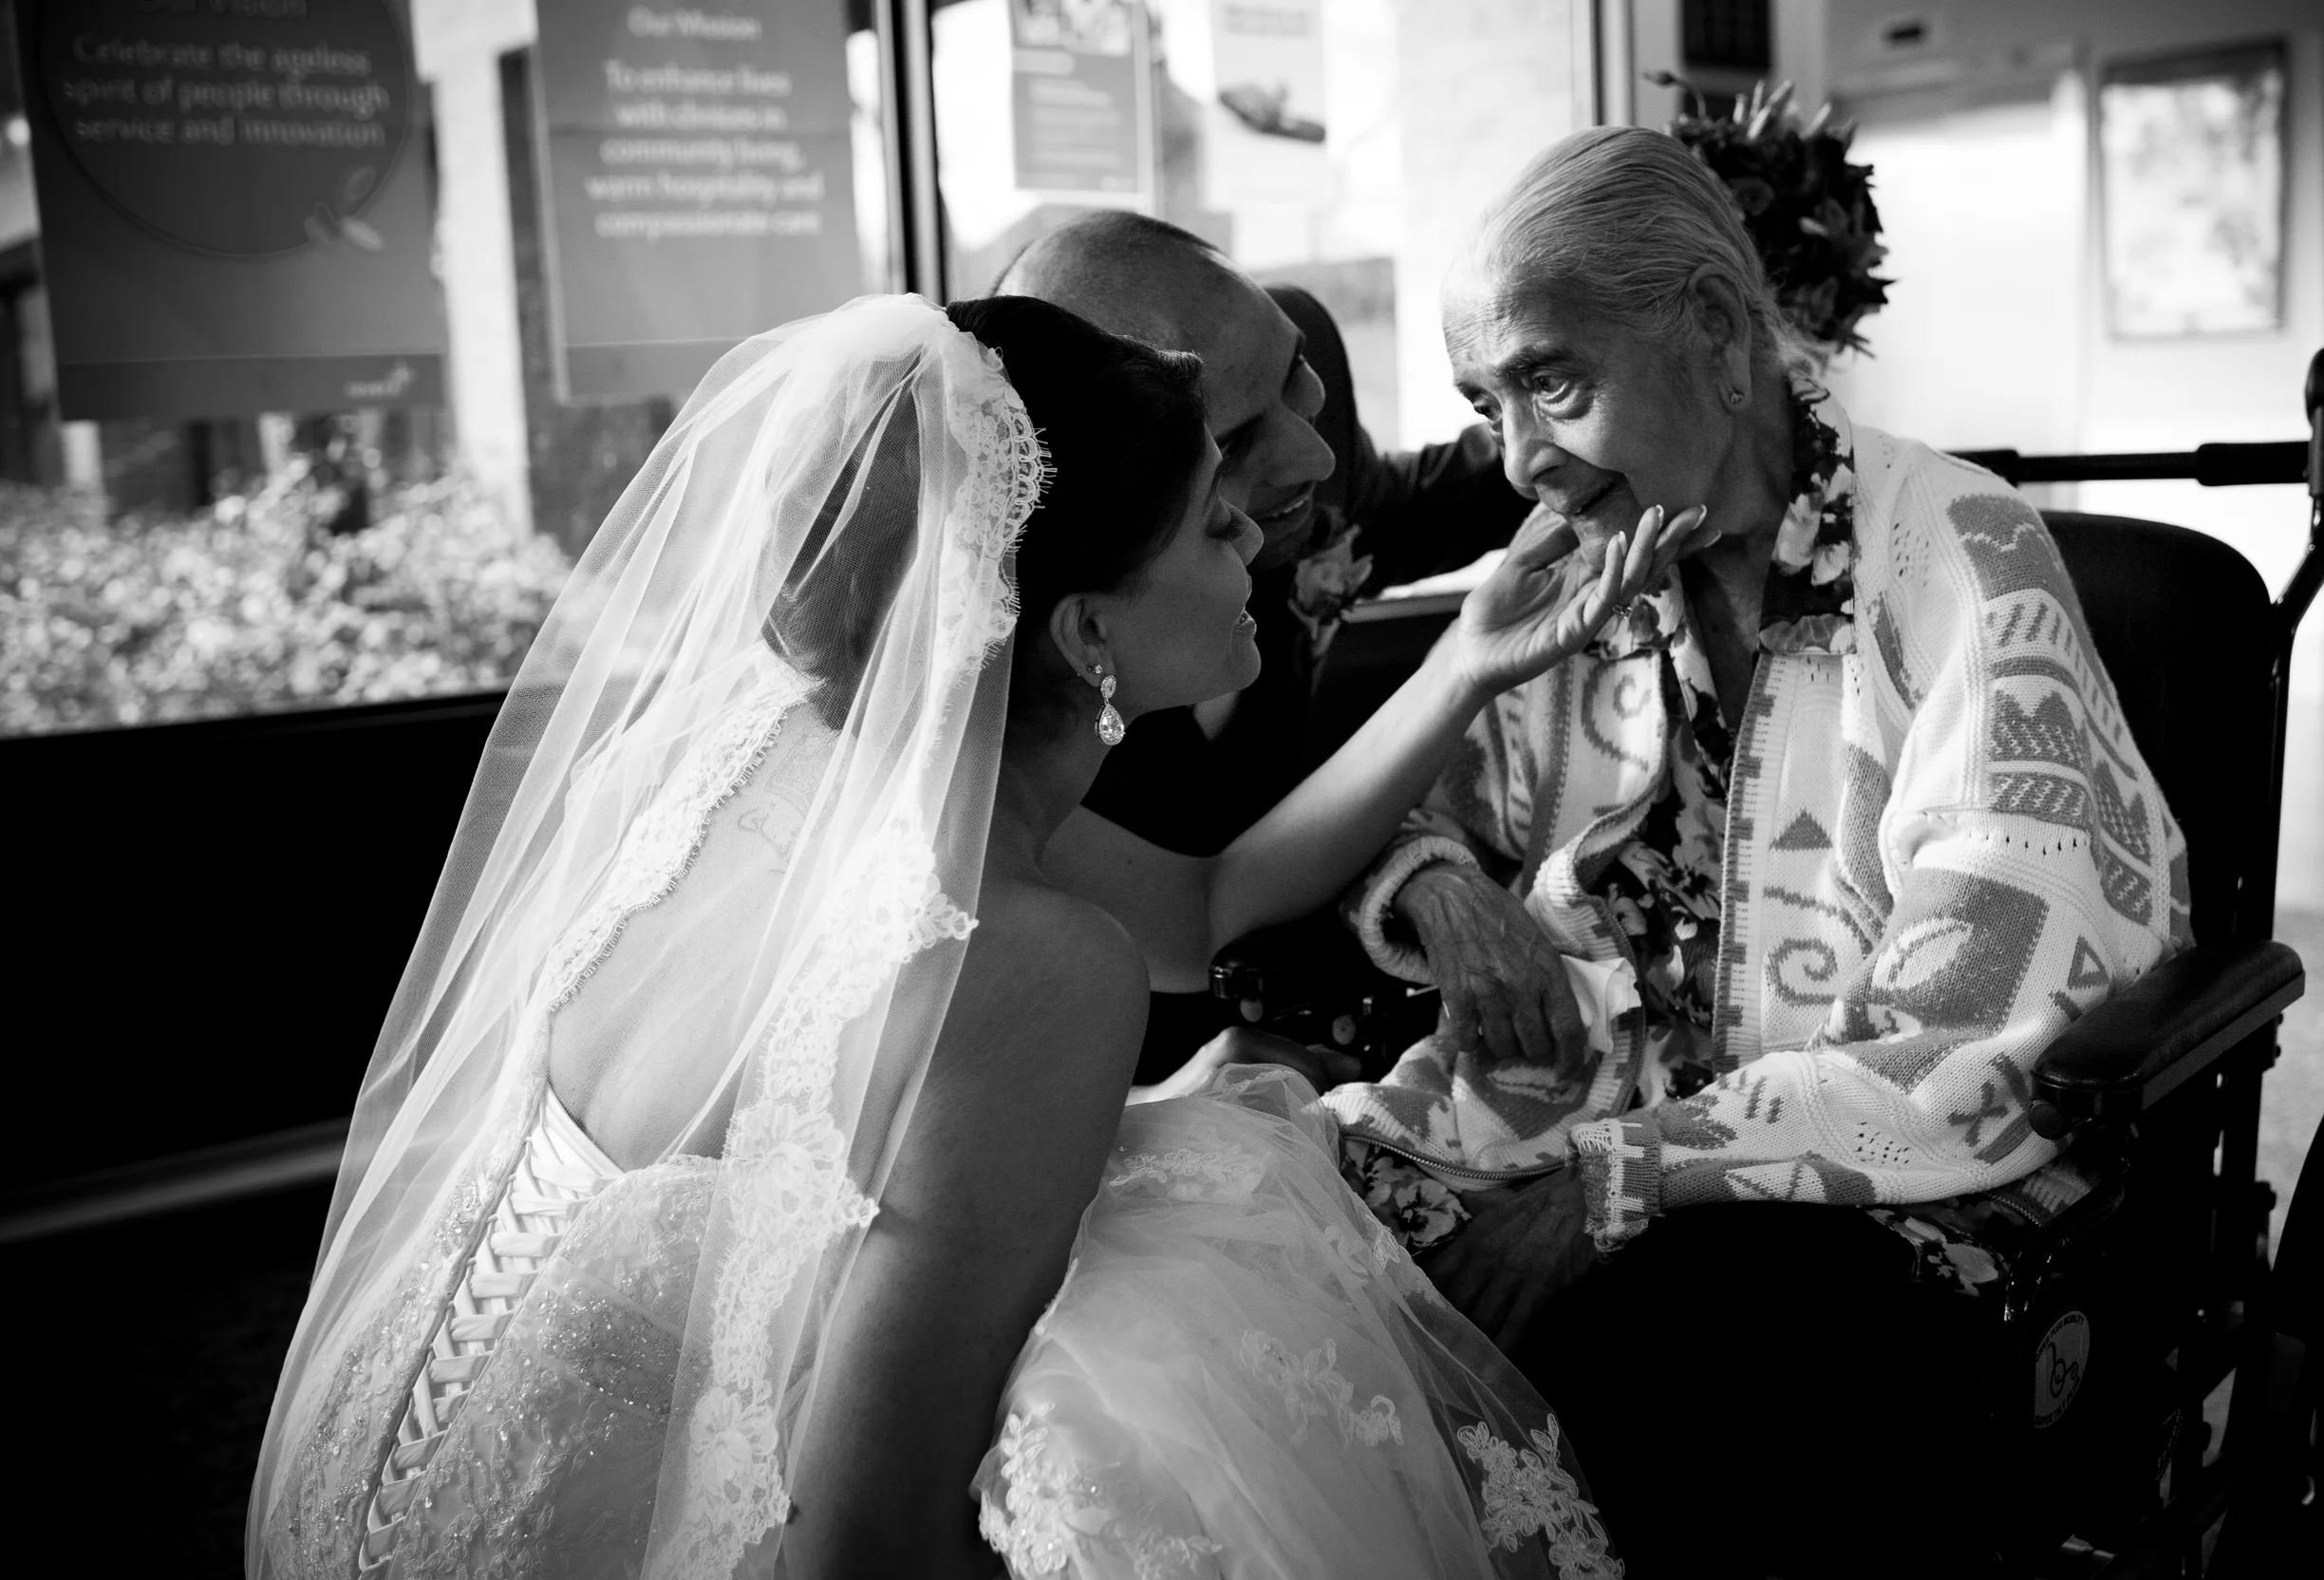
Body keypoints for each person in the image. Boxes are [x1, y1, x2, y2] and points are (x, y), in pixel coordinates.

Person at [251, 293, 1696, 1577]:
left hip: (391, 1480)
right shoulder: (1032, 967)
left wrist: (1465, 664)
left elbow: (1208, 904)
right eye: (1214, 517)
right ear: (1082, 635)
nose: (1264, 533)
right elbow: (858, 1543)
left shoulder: (796, 768)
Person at [1316, 127, 2191, 1579]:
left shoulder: (1962, 558)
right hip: (1604, 1108)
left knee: (1696, 1335)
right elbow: (1413, 812)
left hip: (1915, 1168)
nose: (1524, 463)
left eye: (1552, 381)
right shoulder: (1567, 574)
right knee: (1302, 1205)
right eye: (1489, 404)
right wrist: (1447, 888)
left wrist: (1622, 1181)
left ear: (1718, 332)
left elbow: (1973, 1024)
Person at [997, 214, 1532, 1080]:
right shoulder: (988, 726)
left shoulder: (1309, 491)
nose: (1314, 455)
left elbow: (1477, 488)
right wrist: (1172, 1106)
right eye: (1233, 445)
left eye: (1298, 373)